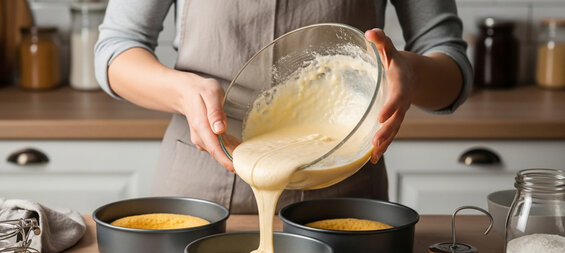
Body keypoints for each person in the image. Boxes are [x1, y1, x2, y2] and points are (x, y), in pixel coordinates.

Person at [95, 0, 472, 214]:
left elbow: (453, 67)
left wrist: (409, 73)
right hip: (197, 188)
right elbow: (116, 49)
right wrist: (182, 91)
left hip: (343, 198)